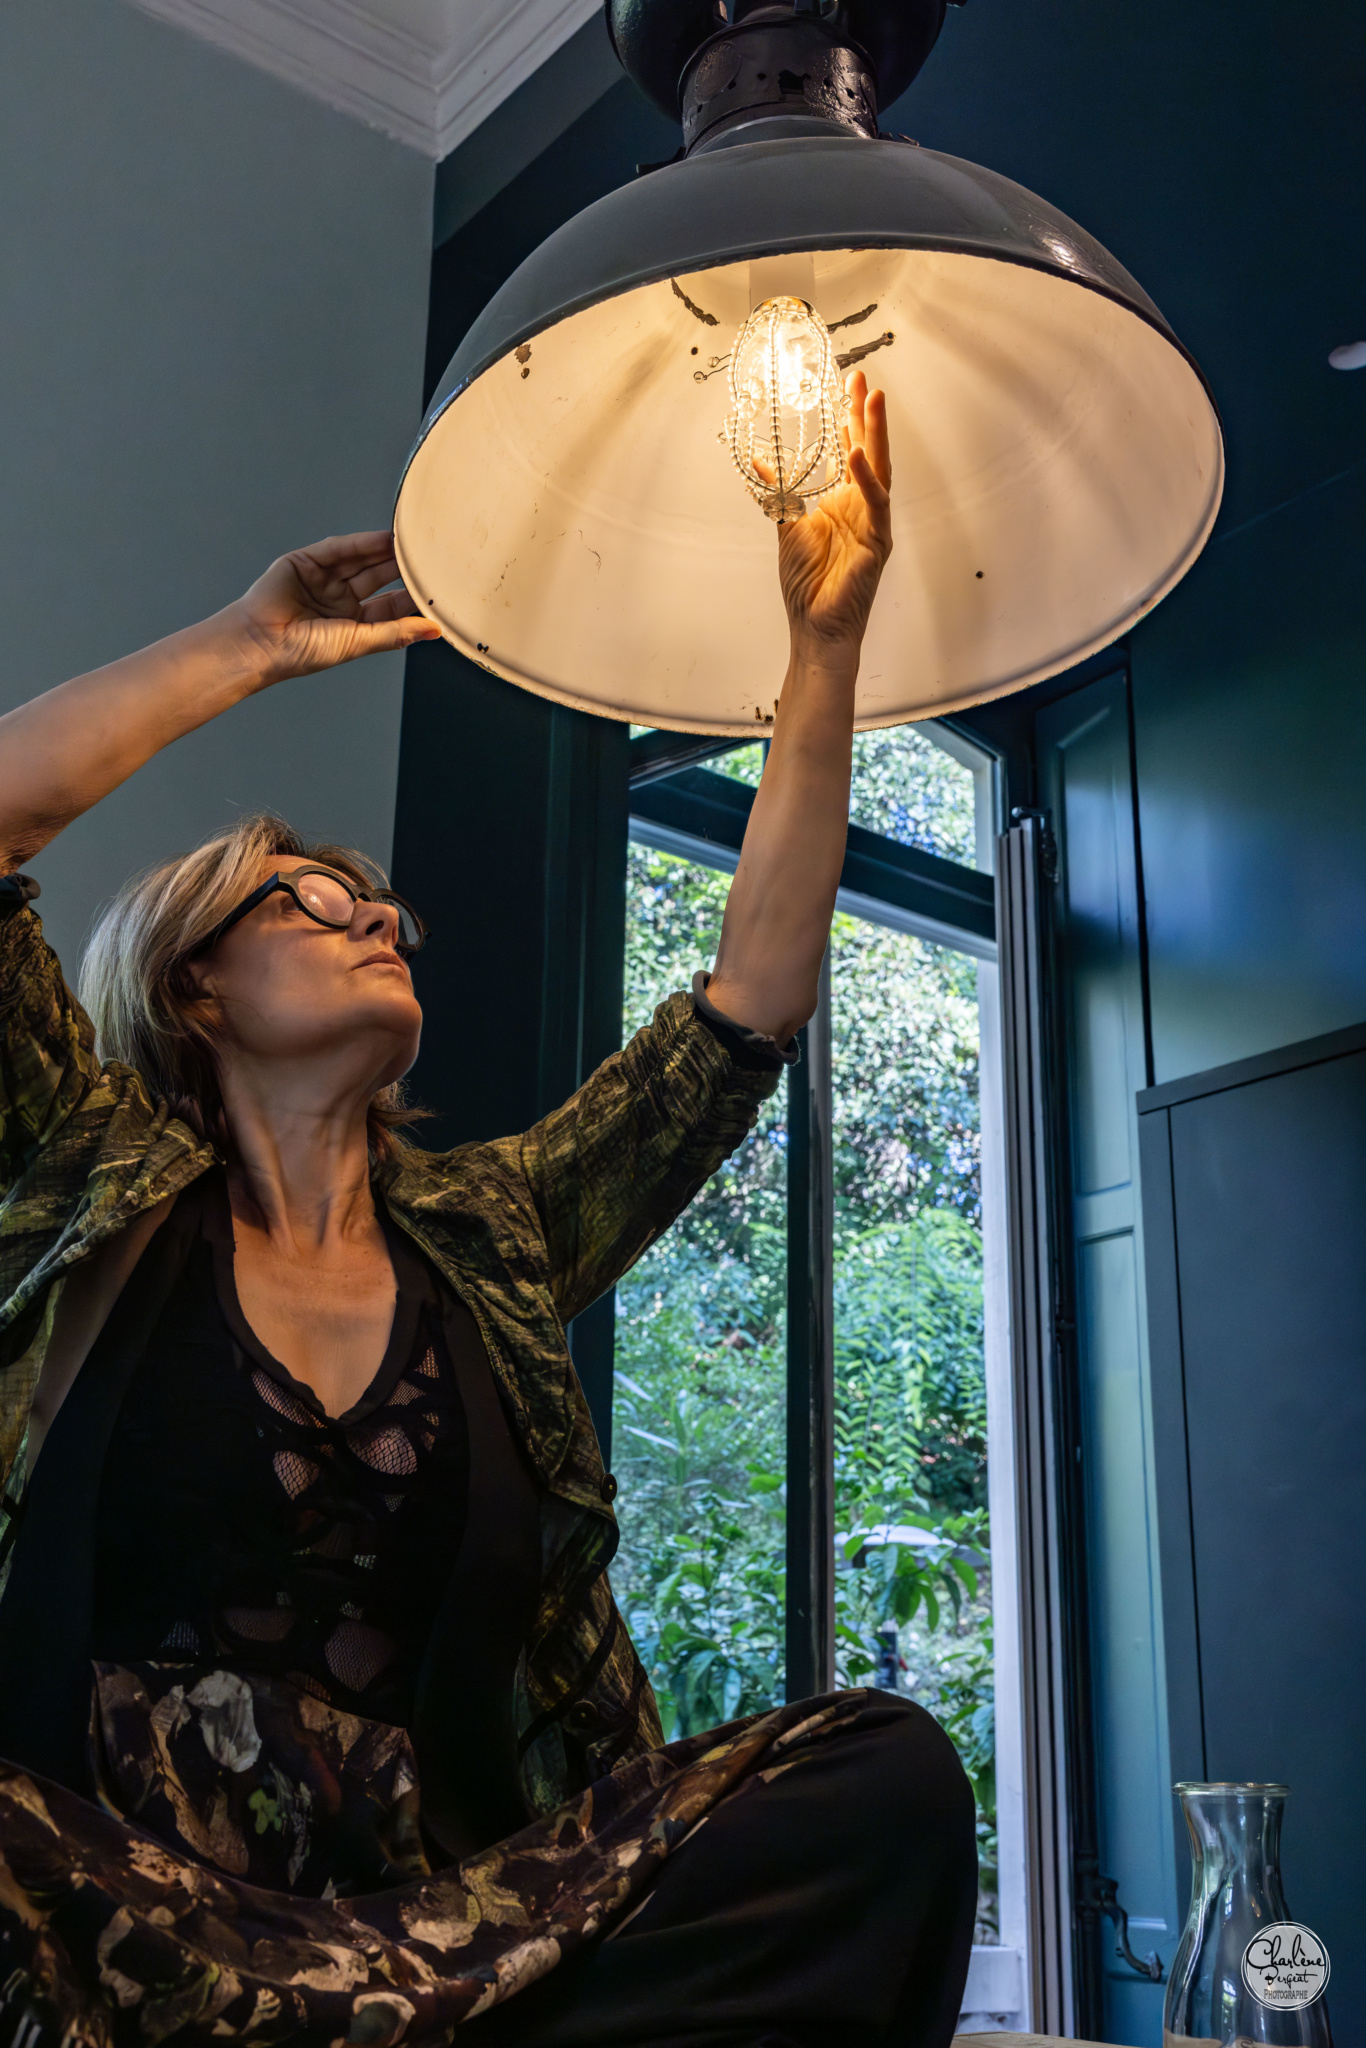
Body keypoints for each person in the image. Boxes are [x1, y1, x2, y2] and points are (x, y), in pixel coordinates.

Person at [0, 374, 976, 2048]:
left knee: (876, 1773)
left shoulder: (492, 1231)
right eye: (313, 902)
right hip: (104, 1914)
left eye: (384, 907)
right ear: (194, 986)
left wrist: (823, 646)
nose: (378, 919)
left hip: (436, 1935)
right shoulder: (88, 1172)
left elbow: (746, 1005)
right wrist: (252, 644)